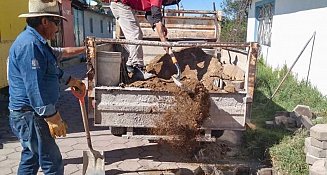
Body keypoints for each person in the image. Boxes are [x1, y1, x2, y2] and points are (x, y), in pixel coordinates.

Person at [7, 0, 85, 174]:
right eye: (56, 23)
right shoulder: (30, 46)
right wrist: (51, 116)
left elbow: (51, 70)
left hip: (30, 114)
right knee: (52, 162)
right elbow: (35, 86)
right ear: (44, 21)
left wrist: (72, 81)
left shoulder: (39, 43)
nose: (57, 28)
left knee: (31, 157)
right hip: (31, 114)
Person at [110, 0, 180, 80]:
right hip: (120, 4)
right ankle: (136, 68)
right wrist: (164, 41)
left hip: (124, 5)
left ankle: (131, 63)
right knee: (135, 34)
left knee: (137, 34)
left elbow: (150, 14)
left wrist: (159, 27)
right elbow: (156, 18)